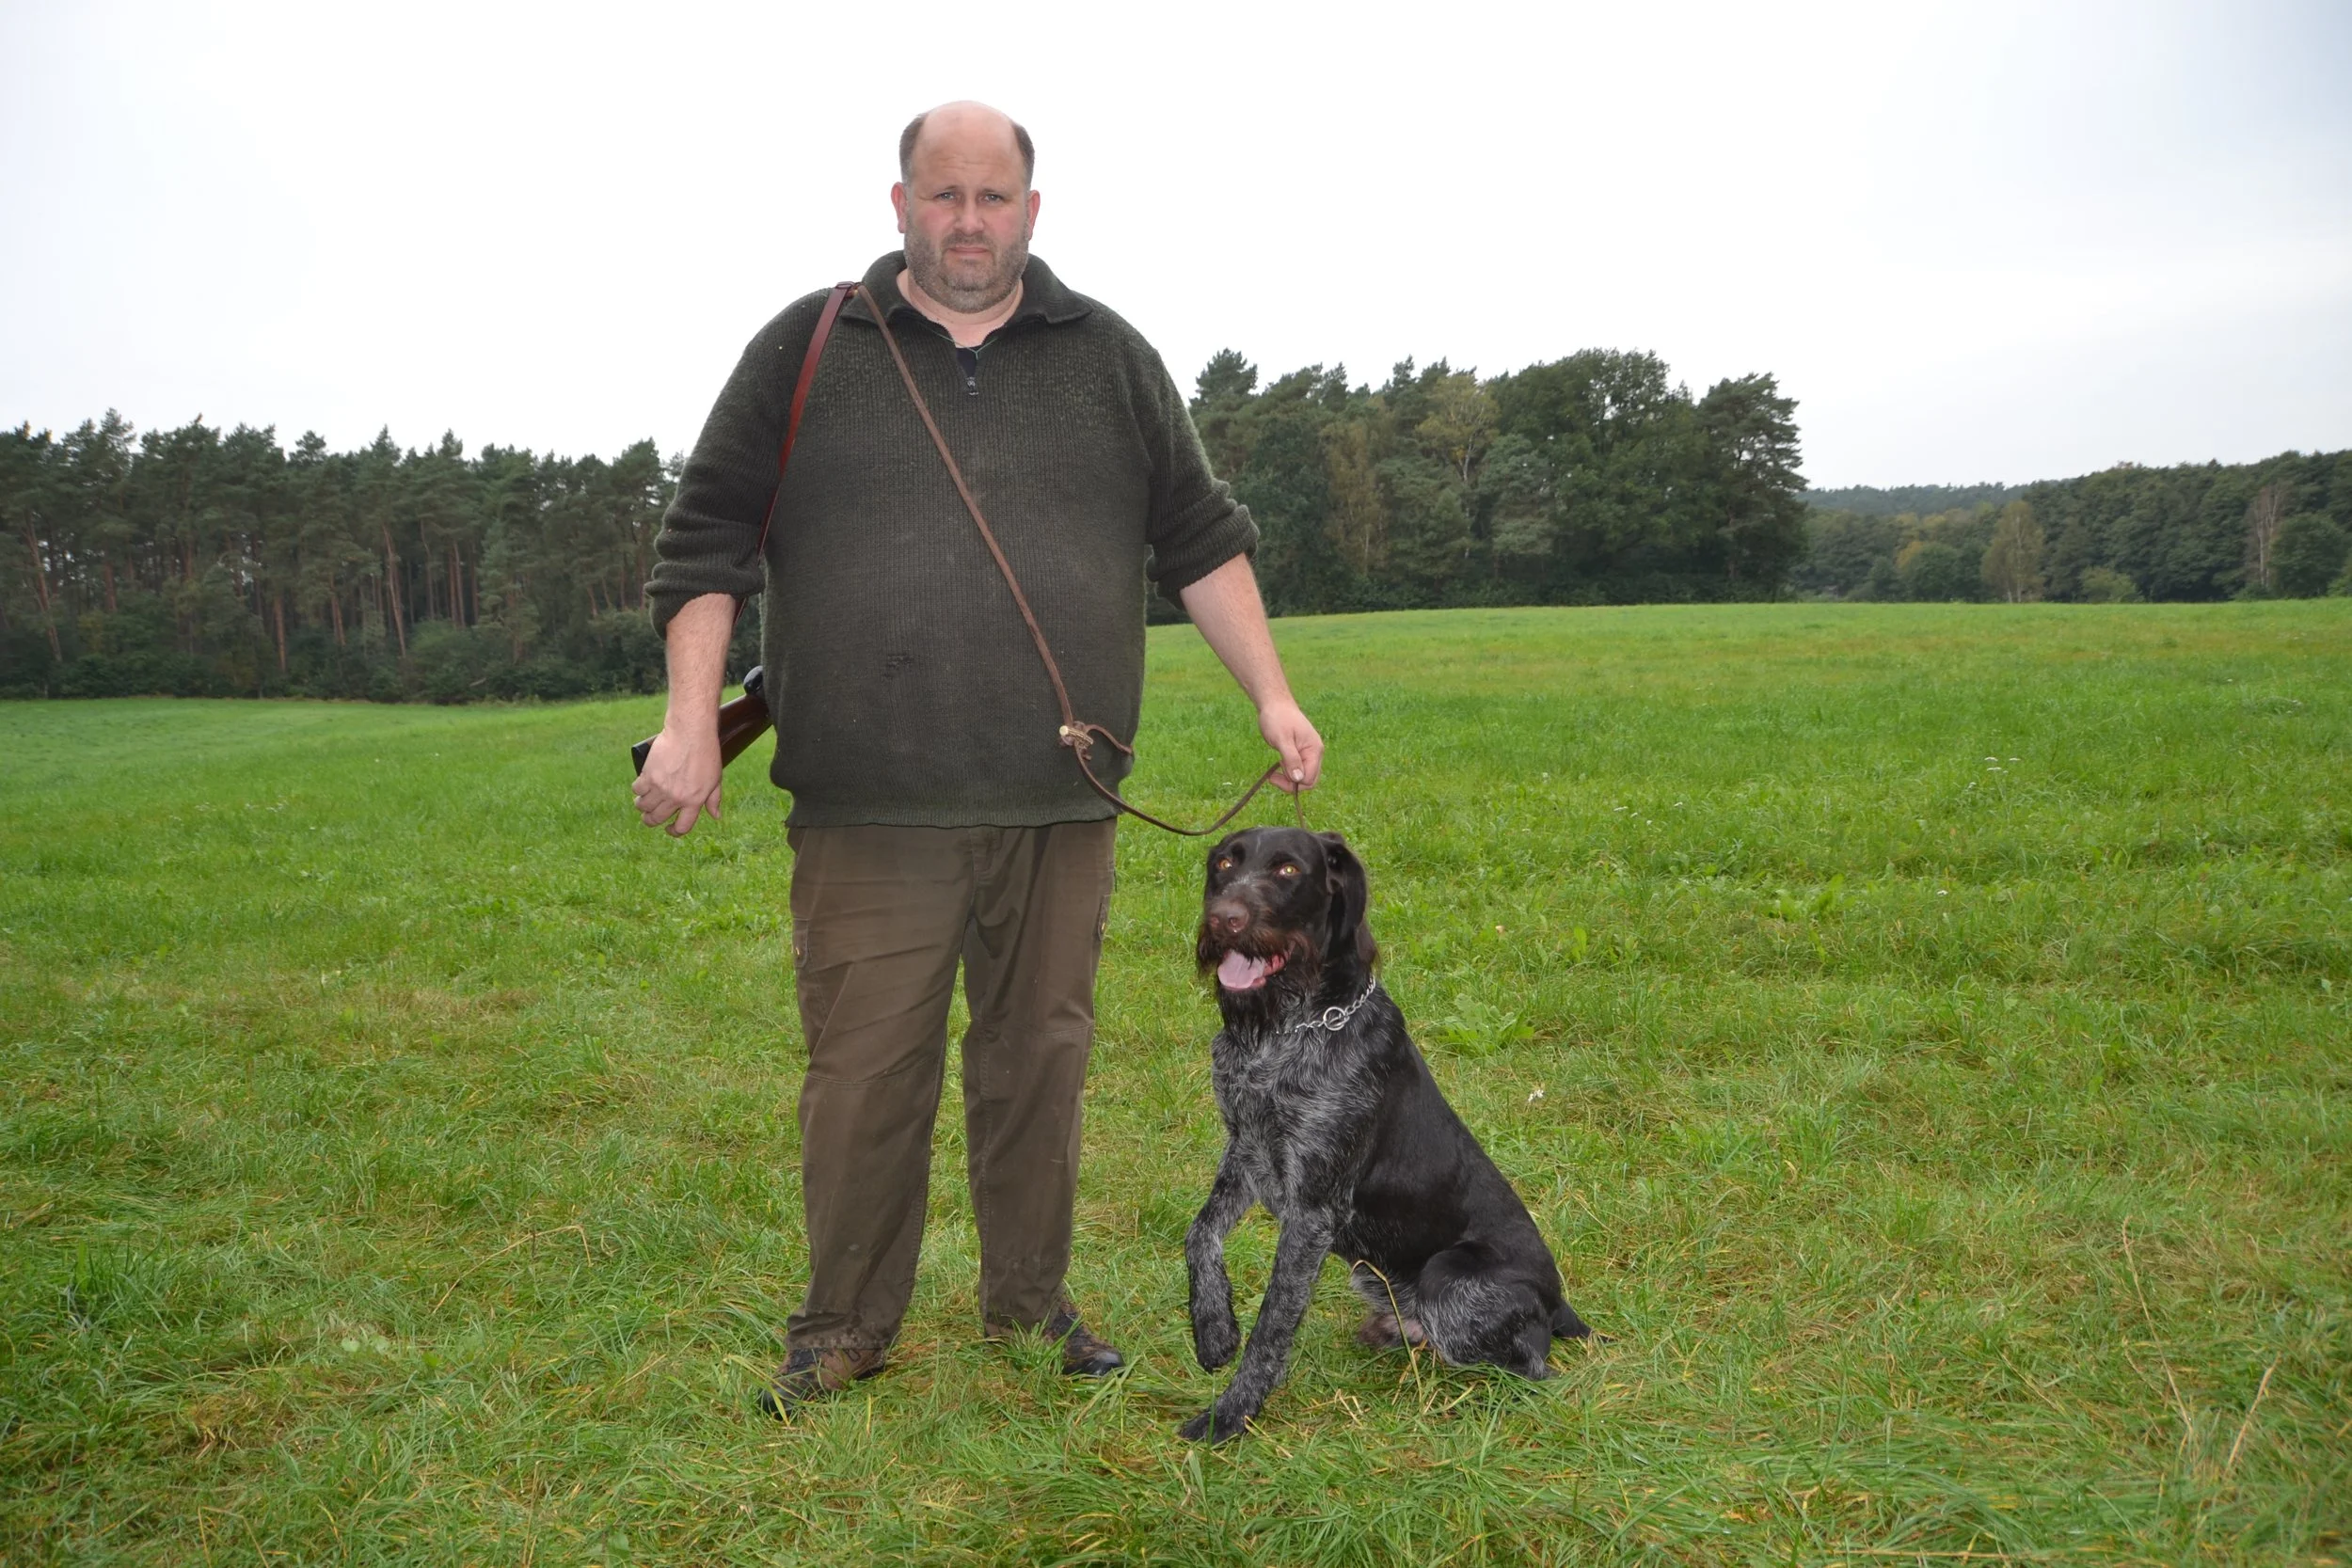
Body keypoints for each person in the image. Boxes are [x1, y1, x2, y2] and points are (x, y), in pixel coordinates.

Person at [633, 101, 1322, 1414]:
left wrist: (1274, 697)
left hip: (1061, 801)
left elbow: (1200, 537)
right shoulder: (808, 346)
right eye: (942, 196)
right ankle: (844, 1324)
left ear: (1031, 211)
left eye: (992, 198)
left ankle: (1029, 1305)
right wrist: (687, 721)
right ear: (899, 204)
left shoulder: (1109, 357)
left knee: (1038, 1062)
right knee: (865, 1074)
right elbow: (706, 538)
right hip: (869, 809)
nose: (967, 222)